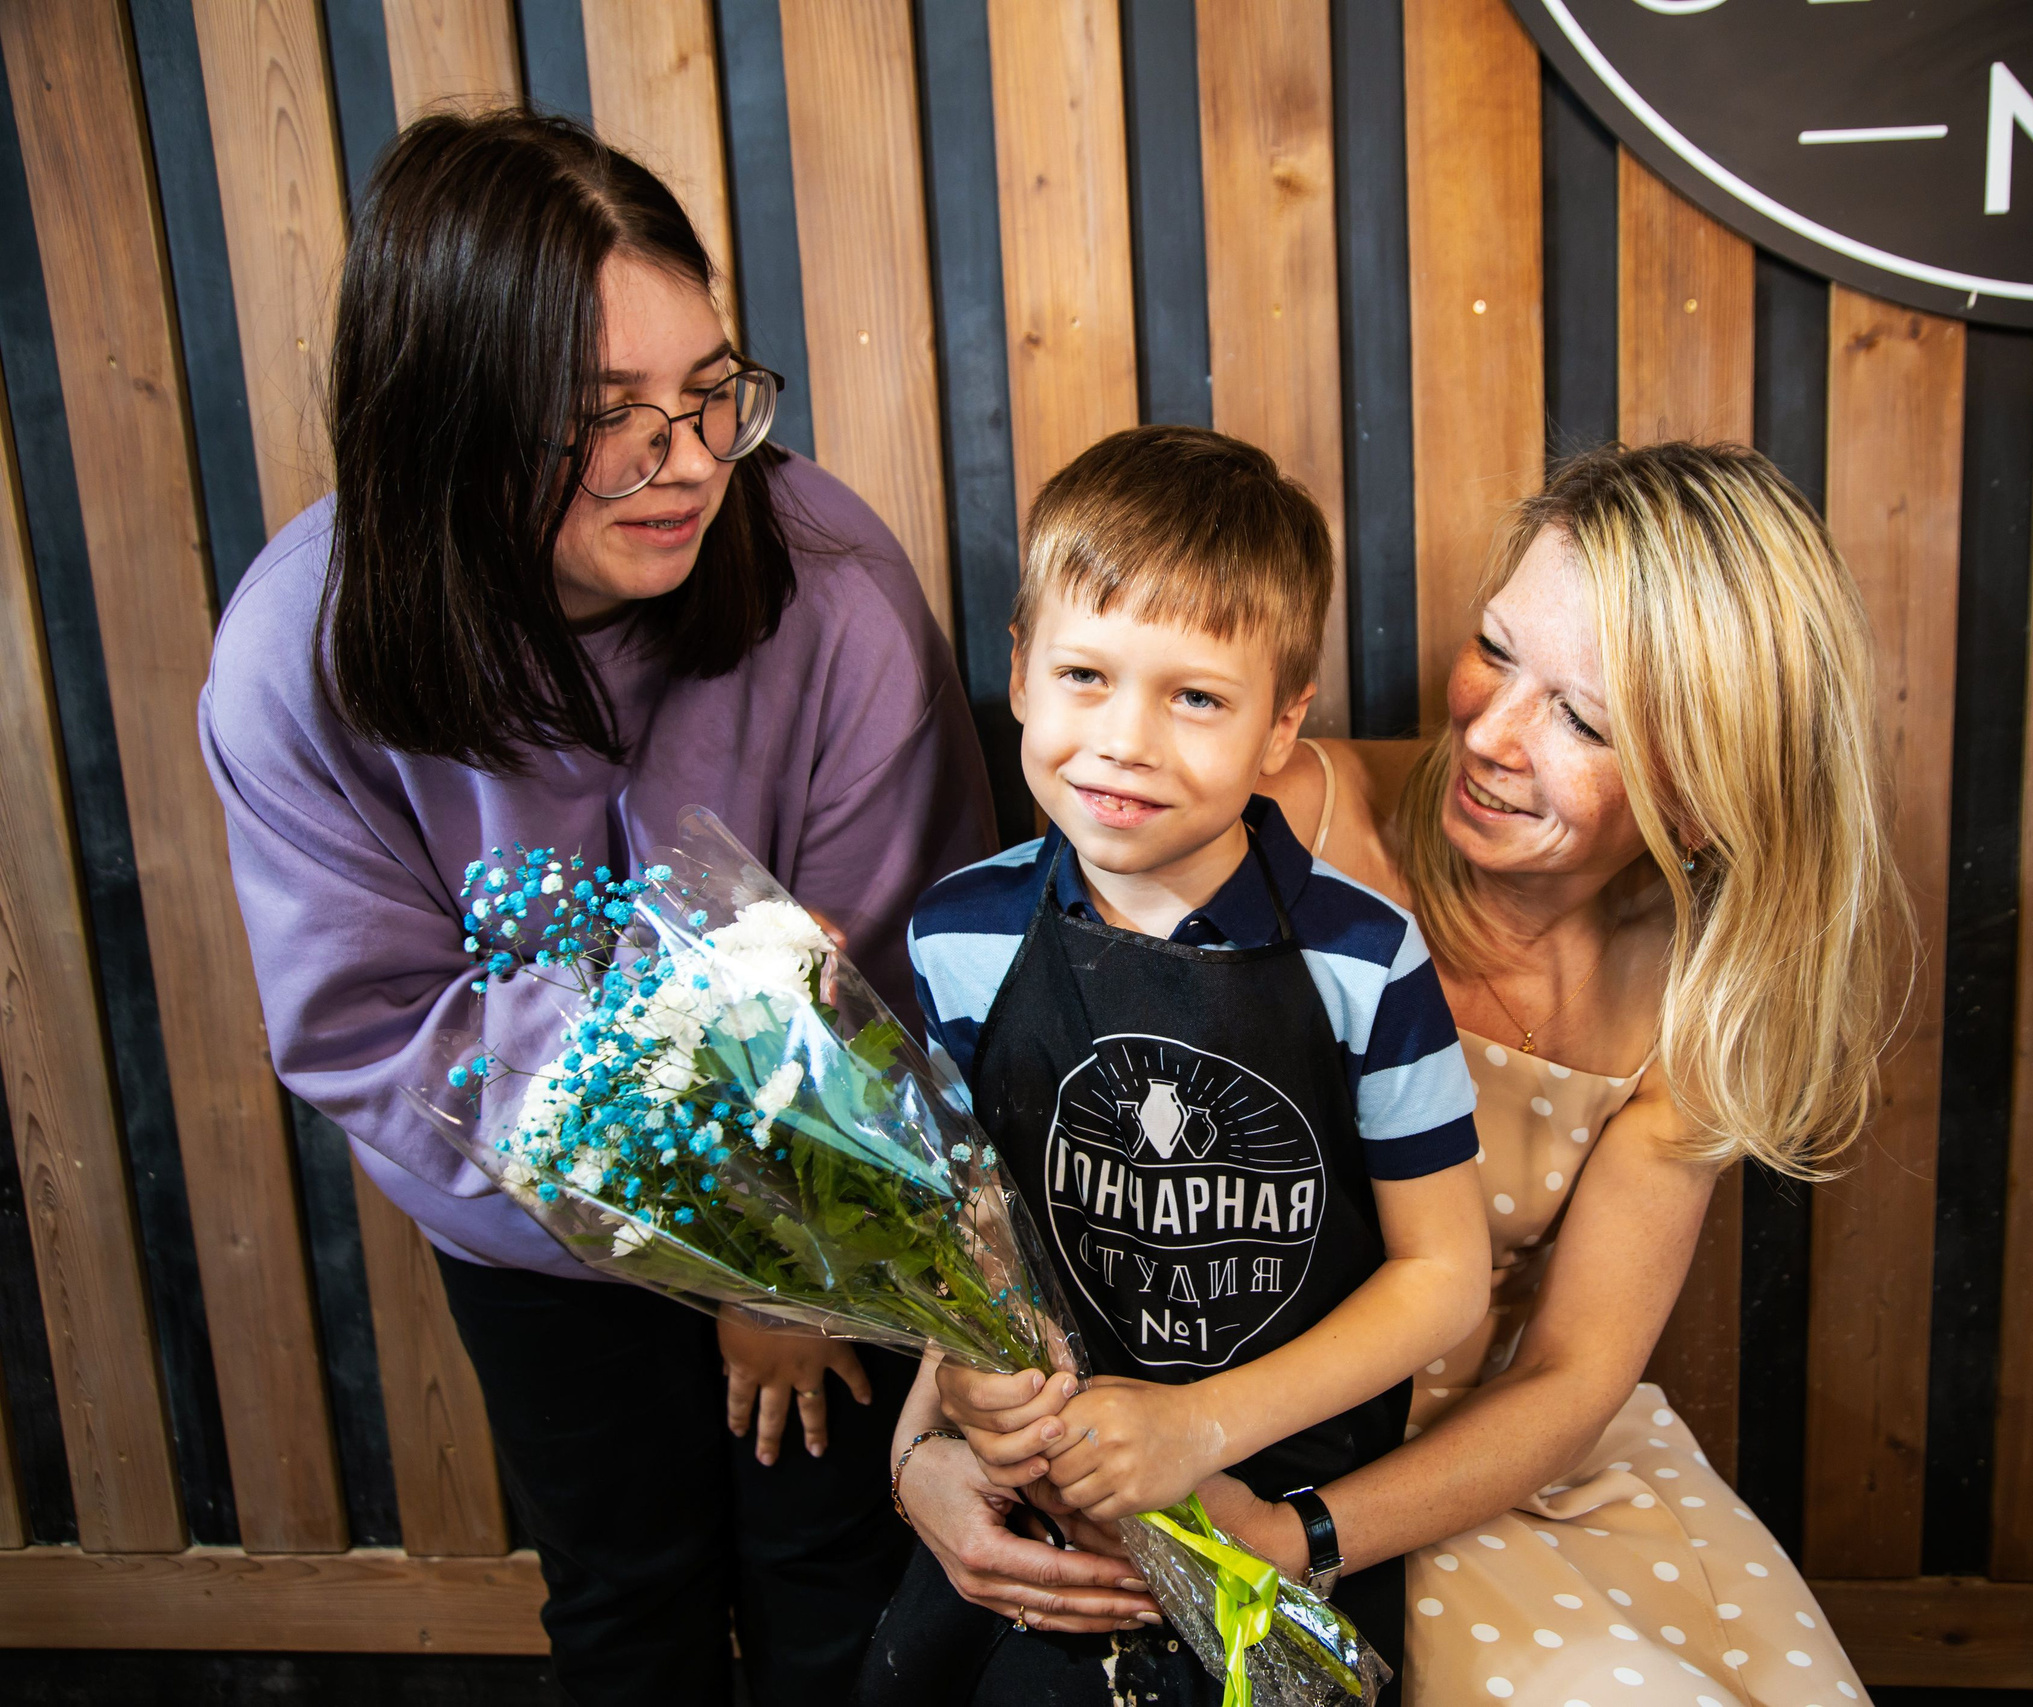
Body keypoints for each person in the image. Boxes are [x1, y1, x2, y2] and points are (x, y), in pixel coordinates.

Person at [199, 111, 991, 1705]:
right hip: (530, 1241)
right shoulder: (297, 653)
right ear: (446, 423)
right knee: (624, 1593)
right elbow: (378, 1035)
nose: (691, 459)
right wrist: (705, 1255)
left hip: (840, 1221)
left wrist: (777, 1273)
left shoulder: (832, 583)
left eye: (709, 392)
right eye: (607, 417)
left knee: (838, 1571)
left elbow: (896, 963)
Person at [917, 441, 1900, 1706]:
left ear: (1706, 792)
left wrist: (1296, 1539)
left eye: (1582, 719)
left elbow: (1568, 1376)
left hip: (1480, 1470)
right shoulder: (1260, 820)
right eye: (1497, 650)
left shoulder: (1689, 1012)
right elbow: (1016, 1170)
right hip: (1200, 1437)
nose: (1488, 735)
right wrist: (926, 1457)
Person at [864, 425, 1492, 1705]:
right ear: (1022, 680)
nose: (1126, 740)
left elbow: (1444, 1278)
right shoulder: (956, 937)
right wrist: (967, 1389)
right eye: (1085, 675)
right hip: (1049, 1495)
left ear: (1282, 726)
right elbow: (965, 1224)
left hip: (1279, 1493)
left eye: (1196, 697)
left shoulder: (1366, 962)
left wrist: (1202, 1427)